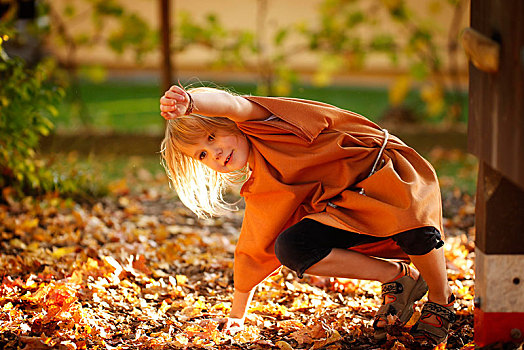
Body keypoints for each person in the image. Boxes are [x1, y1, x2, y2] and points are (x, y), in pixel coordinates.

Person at [159, 84, 456, 346]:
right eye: (202, 155)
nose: (215, 154)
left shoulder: (269, 123)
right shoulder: (262, 182)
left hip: (389, 173)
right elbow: (253, 247)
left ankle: (441, 300)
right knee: (292, 247)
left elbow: (232, 103)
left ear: (230, 123)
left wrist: (191, 102)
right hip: (352, 207)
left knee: (410, 224)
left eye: (212, 137)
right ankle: (398, 278)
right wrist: (237, 315)